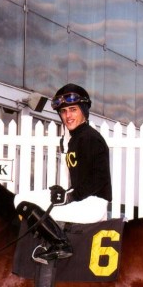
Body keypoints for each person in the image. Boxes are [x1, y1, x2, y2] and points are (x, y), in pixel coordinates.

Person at [20, 83, 112, 262]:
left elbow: (99, 179)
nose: (68, 116)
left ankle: (62, 246)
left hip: (93, 203)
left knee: (41, 212)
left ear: (83, 111)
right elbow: (81, 178)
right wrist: (65, 192)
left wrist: (70, 196)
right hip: (82, 198)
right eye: (63, 111)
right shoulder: (74, 138)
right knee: (22, 200)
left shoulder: (90, 138)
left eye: (73, 110)